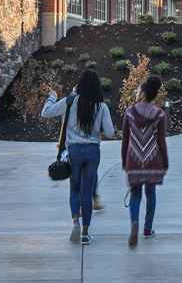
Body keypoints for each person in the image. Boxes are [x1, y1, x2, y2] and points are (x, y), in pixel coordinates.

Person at [42, 69, 114, 245]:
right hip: (92, 152)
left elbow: (46, 112)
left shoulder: (70, 101)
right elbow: (111, 133)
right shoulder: (101, 106)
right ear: (98, 86)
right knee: (87, 192)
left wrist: (52, 96)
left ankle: (75, 222)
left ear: (80, 84)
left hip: (73, 152)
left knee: (74, 189)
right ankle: (85, 233)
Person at [121, 76, 169, 246]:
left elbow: (125, 139)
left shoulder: (129, 112)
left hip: (133, 159)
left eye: (137, 91)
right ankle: (148, 229)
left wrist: (123, 160)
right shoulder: (160, 114)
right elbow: (161, 141)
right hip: (153, 159)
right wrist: (165, 162)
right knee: (150, 193)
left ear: (141, 93)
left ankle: (134, 222)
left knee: (135, 194)